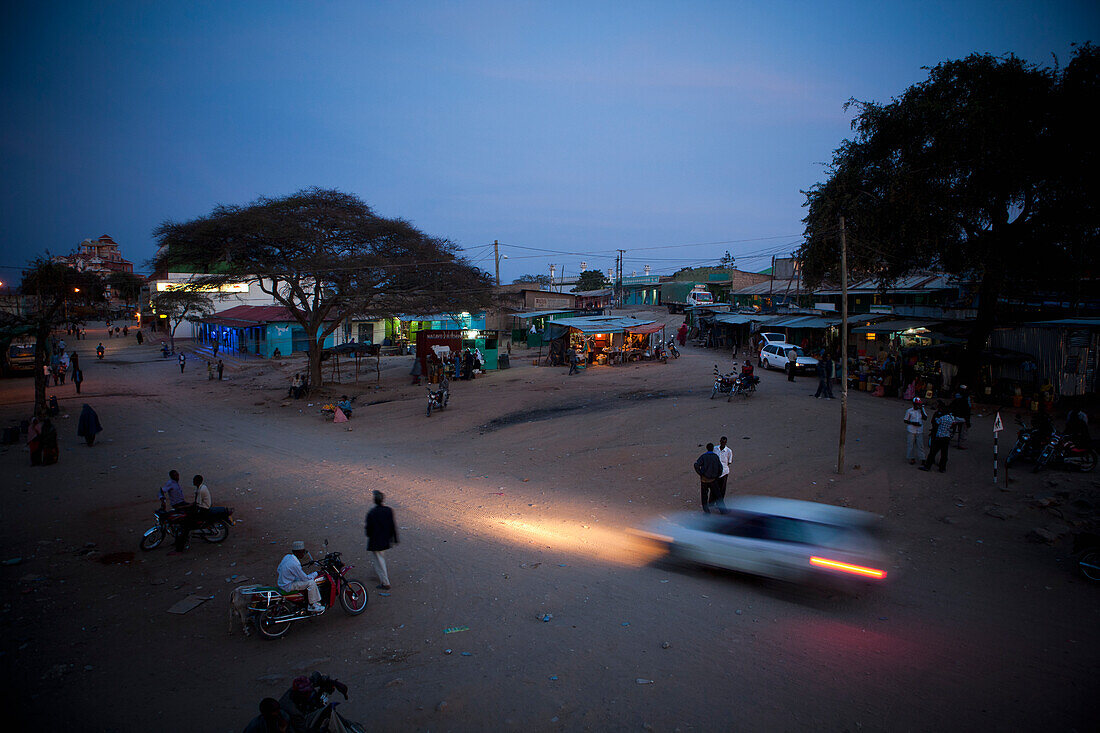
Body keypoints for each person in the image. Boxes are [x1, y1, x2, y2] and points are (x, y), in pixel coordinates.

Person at [277, 541, 324, 613]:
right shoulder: (294, 564)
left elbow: (278, 569)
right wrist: (316, 573)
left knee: (302, 580)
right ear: (297, 552)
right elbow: (305, 578)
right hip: (288, 585)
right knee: (311, 583)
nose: (303, 554)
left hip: (282, 582)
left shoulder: (287, 557)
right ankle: (312, 605)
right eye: (302, 552)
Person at [365, 490, 398, 590]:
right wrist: (394, 538)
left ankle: (385, 582)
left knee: (379, 560)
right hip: (385, 540)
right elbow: (392, 526)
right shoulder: (388, 510)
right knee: (380, 559)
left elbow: (368, 530)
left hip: (376, 541)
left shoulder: (372, 513)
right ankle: (380, 576)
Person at [920, 405, 966, 473]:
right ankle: (942, 468)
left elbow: (936, 422)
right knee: (944, 454)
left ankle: (927, 466)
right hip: (946, 437)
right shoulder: (952, 418)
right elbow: (959, 422)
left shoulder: (942, 418)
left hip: (939, 437)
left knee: (933, 452)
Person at [693, 443, 723, 513]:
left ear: (706, 448)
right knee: (718, 495)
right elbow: (720, 468)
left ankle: (706, 510)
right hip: (713, 479)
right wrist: (718, 475)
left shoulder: (703, 456)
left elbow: (696, 465)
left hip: (704, 479)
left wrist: (700, 473)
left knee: (704, 496)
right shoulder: (715, 456)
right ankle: (722, 510)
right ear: (712, 448)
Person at [903, 397, 927, 465]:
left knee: (920, 445)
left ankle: (922, 458)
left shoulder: (922, 410)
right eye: (917, 404)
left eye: (919, 404)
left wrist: (922, 409)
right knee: (910, 445)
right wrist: (913, 423)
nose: (918, 405)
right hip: (911, 430)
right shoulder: (909, 411)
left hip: (919, 430)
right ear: (913, 404)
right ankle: (911, 458)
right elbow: (905, 420)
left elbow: (925, 418)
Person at [715, 436, 733, 513]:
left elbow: (729, 461)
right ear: (720, 441)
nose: (722, 443)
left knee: (722, 489)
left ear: (726, 442)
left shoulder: (729, 451)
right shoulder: (715, 448)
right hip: (715, 472)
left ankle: (720, 504)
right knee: (715, 488)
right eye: (721, 441)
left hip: (724, 472)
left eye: (724, 442)